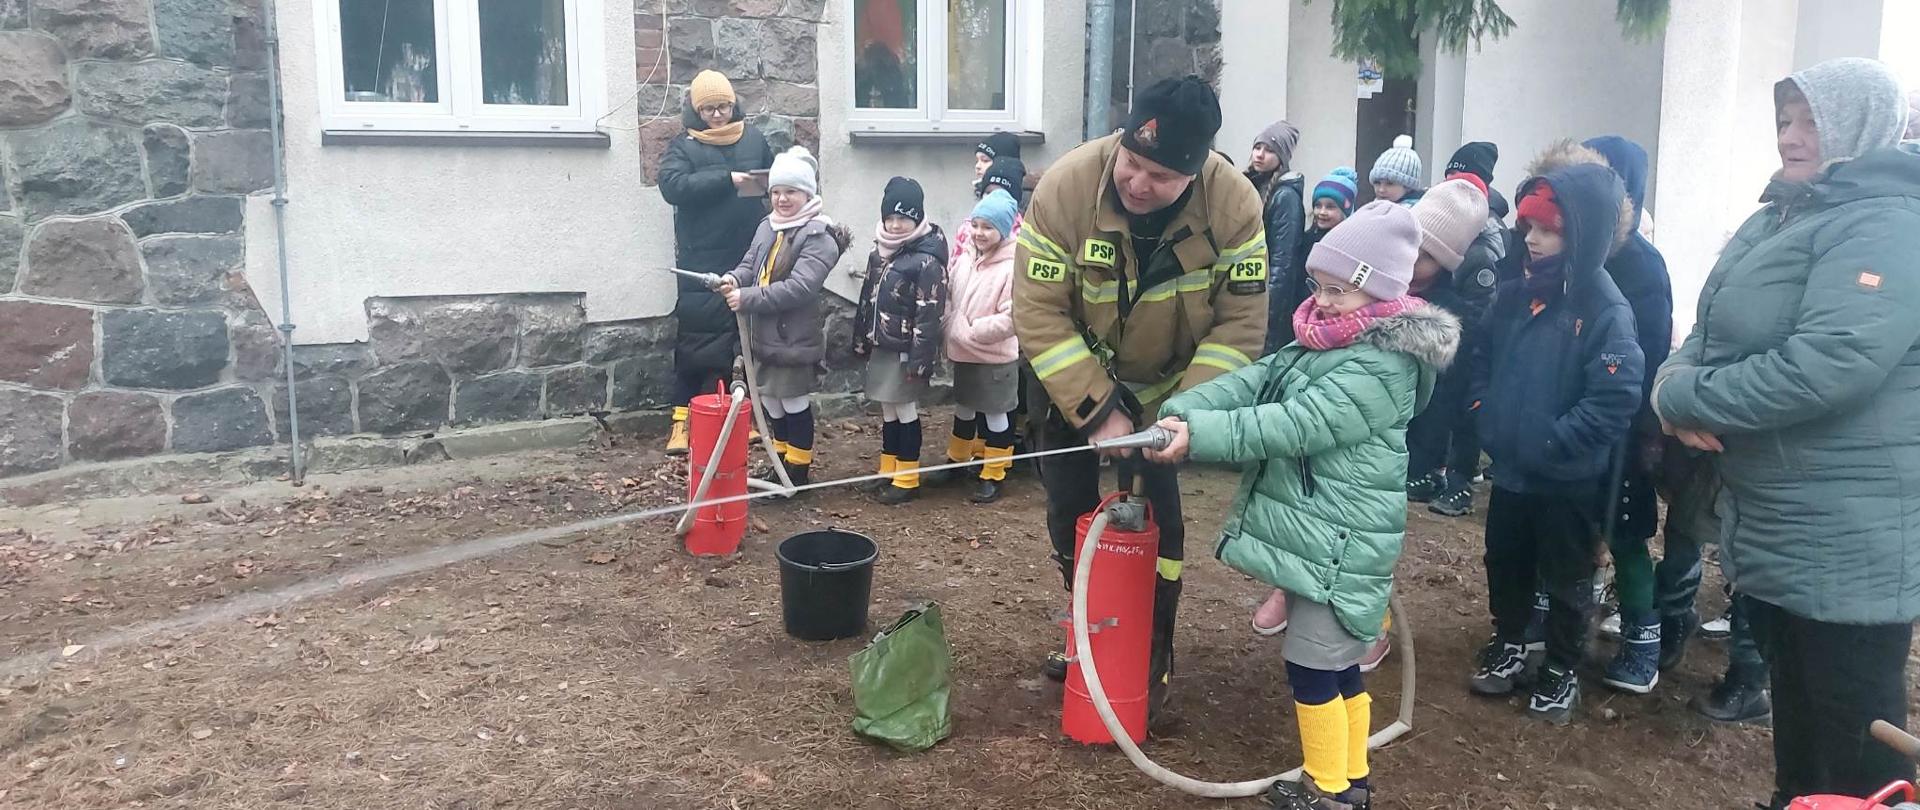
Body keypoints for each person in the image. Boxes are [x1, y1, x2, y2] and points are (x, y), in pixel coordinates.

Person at [1651, 57, 1920, 808]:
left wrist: (1697, 400)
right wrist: (1671, 390)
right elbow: (1702, 333)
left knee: (1854, 756)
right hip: (1778, 521)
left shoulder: (1891, 223)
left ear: (1860, 125)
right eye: (1784, 120)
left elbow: (1830, 365)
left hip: (1849, 536)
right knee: (1801, 744)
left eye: (1811, 121)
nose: (1791, 138)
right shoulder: (1782, 214)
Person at [1152, 200, 1460, 810]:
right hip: (1326, 537)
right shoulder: (1326, 341)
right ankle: (1350, 784)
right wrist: (1183, 410)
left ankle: (1329, 791)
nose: (1322, 300)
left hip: (1341, 545)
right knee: (1338, 666)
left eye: (1339, 291)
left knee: (1317, 670)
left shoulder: (1379, 364)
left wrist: (1204, 439)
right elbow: (1255, 381)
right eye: (1319, 285)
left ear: (1380, 295)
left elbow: (1297, 423)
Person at [1012, 76, 1268, 721]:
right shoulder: (1066, 188)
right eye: (1131, 162)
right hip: (1072, 388)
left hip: (1170, 393)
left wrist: (1181, 417)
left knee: (1162, 527)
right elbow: (1038, 310)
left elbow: (1240, 325)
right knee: (1071, 510)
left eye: (1160, 175)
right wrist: (1097, 408)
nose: (1138, 183)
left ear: (1197, 169)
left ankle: (1151, 652)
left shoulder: (1235, 206)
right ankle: (1088, 629)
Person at [1466, 160, 1643, 726]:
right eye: (1527, 227)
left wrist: (1553, 442)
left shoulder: (1606, 311)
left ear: (1581, 235)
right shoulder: (1515, 295)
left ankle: (1563, 666)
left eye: (1547, 230)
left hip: (1567, 477)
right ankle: (1512, 639)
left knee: (1567, 577)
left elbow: (1614, 398)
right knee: (1507, 560)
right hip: (1512, 470)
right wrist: (1484, 414)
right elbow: (1479, 358)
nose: (1531, 239)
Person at [1580, 135, 1674, 696]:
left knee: (1625, 533)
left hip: (1622, 424)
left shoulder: (1641, 266)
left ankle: (1644, 640)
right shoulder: (1570, 253)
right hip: (1574, 420)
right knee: (1571, 524)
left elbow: (1651, 350)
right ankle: (1571, 615)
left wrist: (1640, 427)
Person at [656, 70, 775, 455]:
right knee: (696, 338)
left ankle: (741, 415)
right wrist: (727, 178)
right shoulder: (683, 146)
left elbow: (773, 181)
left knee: (742, 338)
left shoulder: (754, 138)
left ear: (733, 103)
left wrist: (763, 189)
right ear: (696, 110)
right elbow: (672, 186)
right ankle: (683, 420)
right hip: (700, 256)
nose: (718, 115)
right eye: (708, 109)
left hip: (747, 253)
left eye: (723, 106)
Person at [720, 146, 851, 488]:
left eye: (790, 192)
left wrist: (746, 298)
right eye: (776, 192)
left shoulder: (818, 236)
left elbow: (799, 288)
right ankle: (779, 462)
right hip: (764, 335)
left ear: (807, 193)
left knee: (792, 402)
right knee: (772, 403)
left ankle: (798, 471)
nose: (781, 199)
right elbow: (751, 264)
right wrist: (734, 278)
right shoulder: (768, 226)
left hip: (793, 338)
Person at [854, 177, 948, 505]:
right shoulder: (879, 253)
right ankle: (888, 469)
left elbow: (929, 313)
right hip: (882, 344)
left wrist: (921, 359)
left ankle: (907, 478)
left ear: (918, 218)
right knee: (888, 409)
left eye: (904, 218)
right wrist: (861, 338)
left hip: (906, 352)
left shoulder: (927, 261)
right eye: (890, 218)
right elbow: (867, 299)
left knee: (905, 408)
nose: (895, 225)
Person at [1402, 179, 1492, 523]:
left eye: (1425, 257)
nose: (1412, 261)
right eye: (1410, 248)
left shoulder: (1450, 312)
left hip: (1440, 406)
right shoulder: (1389, 291)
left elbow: (1447, 402)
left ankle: (1446, 475)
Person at [1427, 142, 1510, 515]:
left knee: (1466, 413)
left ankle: (1461, 481)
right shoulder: (1444, 234)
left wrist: (1463, 340)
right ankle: (1431, 470)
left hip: (1471, 342)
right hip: (1446, 335)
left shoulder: (1482, 250)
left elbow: (1480, 307)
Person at [942, 189, 1022, 504]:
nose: (979, 233)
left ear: (1003, 230)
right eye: (975, 225)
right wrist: (951, 323)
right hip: (964, 352)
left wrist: (975, 331)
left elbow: (1014, 317)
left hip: (993, 357)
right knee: (964, 407)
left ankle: (995, 472)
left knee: (995, 413)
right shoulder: (965, 260)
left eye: (987, 227)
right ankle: (957, 459)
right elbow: (949, 294)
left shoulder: (1012, 267)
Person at [1273, 167, 1359, 350]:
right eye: (1318, 205)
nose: (1322, 212)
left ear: (1346, 210)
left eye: (1330, 206)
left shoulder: (1348, 245)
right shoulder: (1306, 238)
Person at [1245, 120, 1305, 355]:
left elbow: (1283, 262)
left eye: (1269, 150)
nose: (1260, 155)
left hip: (1265, 305)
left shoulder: (1285, 197)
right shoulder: (1250, 185)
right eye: (1258, 147)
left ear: (1282, 157)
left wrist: (1265, 313)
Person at [952, 134, 1024, 265]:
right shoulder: (968, 228)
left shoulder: (1023, 224)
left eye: (985, 160)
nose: (977, 166)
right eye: (977, 160)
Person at [1369, 135, 1425, 207]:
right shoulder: (1376, 207)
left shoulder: (1414, 213)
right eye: (1377, 183)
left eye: (1390, 183)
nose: (1381, 189)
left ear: (1408, 187)